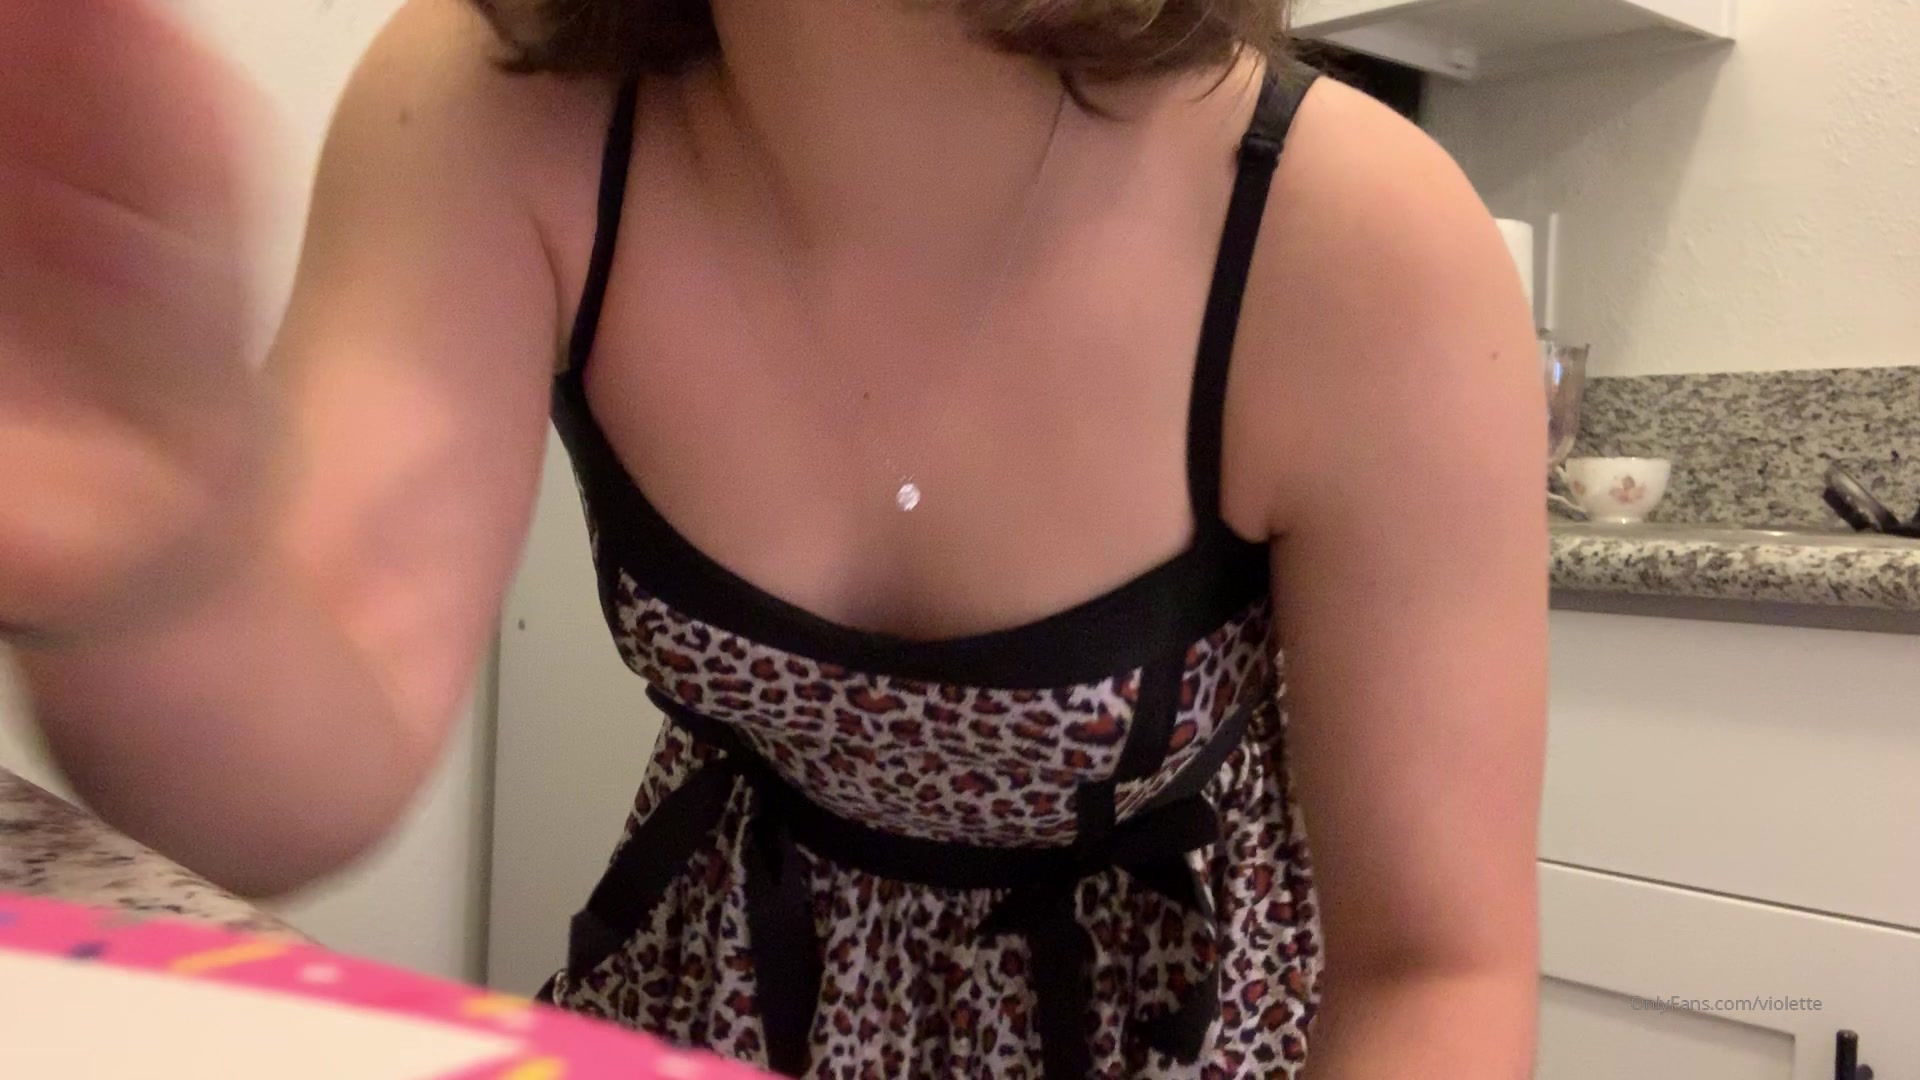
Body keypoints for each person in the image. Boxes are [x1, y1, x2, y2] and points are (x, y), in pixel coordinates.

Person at [0, 0, 1548, 1075]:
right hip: (725, 991)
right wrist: (150, 548)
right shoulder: (499, 105)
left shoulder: (1353, 239)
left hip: (1176, 1033)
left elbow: (1439, 971)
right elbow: (303, 765)